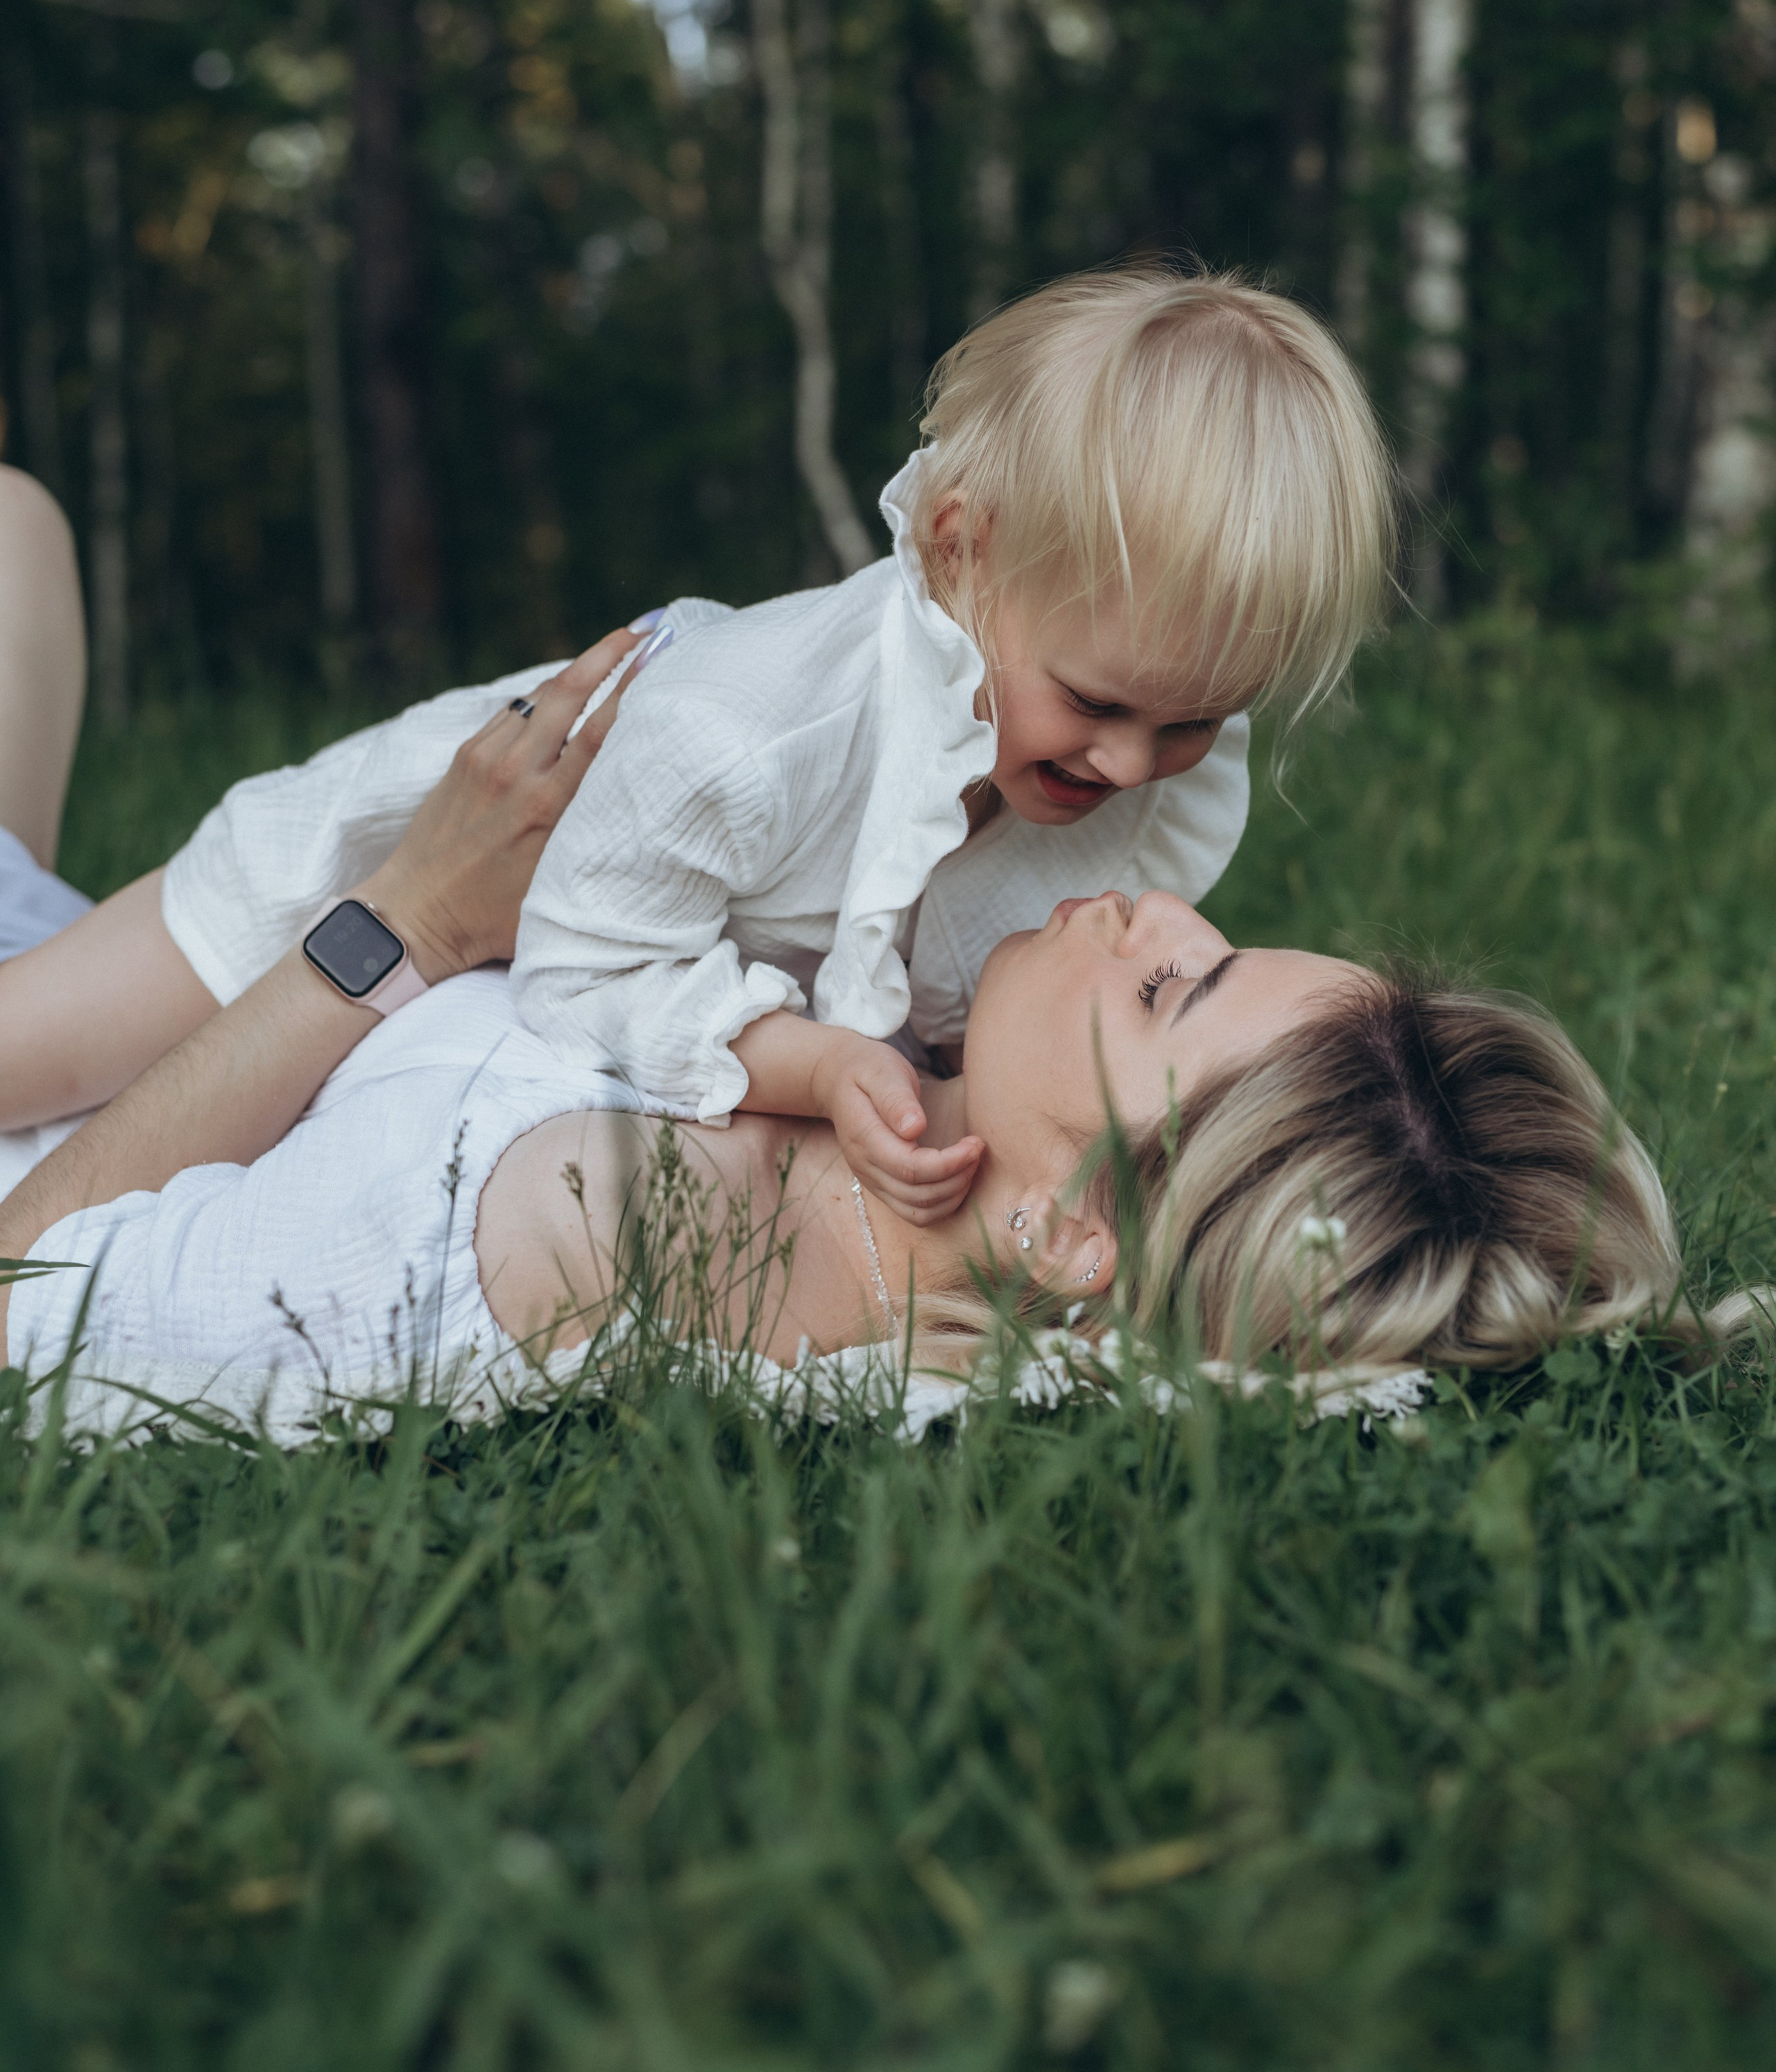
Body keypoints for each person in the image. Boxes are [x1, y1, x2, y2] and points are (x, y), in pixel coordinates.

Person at [0, 470, 1696, 1435]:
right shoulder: (898, 1041)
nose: (1158, 905)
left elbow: (27, 1302)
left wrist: (411, 925)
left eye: (1174, 987)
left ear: (1055, 1226)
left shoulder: (609, 1221)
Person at [0, 266, 1397, 1234]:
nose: (1132, 761)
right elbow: (583, 965)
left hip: (469, 987)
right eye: (1097, 700)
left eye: (1194, 720)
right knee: (28, 1067)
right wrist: (801, 1064)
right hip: (335, 894)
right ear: (959, 552)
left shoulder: (1135, 773)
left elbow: (1003, 1030)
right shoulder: (752, 726)